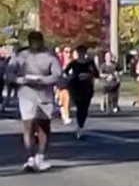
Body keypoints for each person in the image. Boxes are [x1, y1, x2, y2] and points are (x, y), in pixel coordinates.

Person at [6, 32, 63, 171]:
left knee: (43, 125)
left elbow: (57, 74)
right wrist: (20, 80)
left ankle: (41, 156)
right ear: (30, 42)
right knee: (29, 124)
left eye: (38, 41)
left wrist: (43, 80)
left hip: (44, 94)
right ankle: (30, 157)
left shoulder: (49, 56)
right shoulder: (21, 56)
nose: (36, 43)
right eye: (33, 41)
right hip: (26, 93)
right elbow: (9, 73)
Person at [62, 46, 101, 139]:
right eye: (79, 52)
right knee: (79, 106)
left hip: (87, 87)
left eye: (83, 52)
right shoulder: (74, 63)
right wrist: (72, 78)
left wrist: (90, 74)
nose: (81, 54)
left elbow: (97, 74)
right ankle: (80, 126)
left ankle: (81, 125)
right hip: (76, 86)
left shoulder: (90, 63)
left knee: (85, 107)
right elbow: (65, 72)